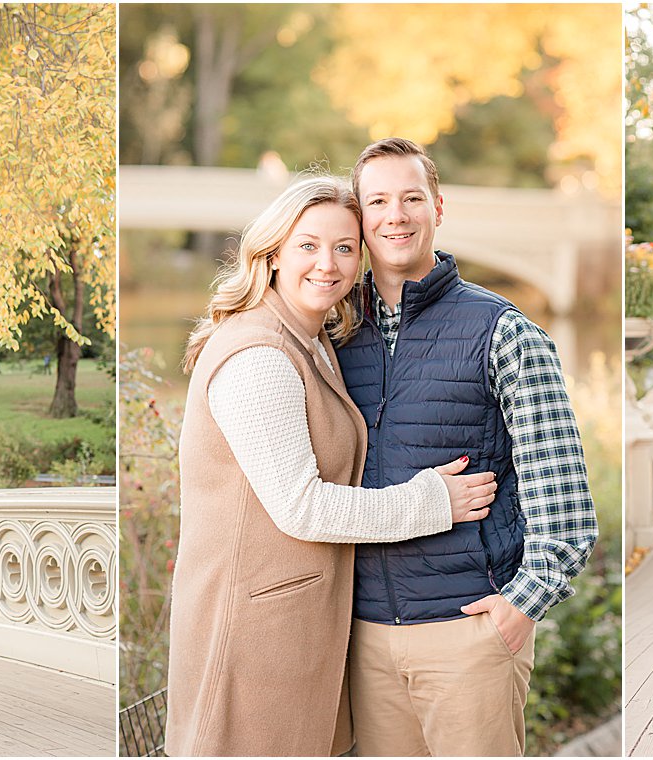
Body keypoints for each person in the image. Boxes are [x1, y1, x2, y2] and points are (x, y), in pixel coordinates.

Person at [165, 175, 499, 757]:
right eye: (308, 245)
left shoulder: (312, 338)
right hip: (252, 636)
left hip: (294, 631)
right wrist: (432, 502)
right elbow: (303, 506)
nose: (329, 263)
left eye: (345, 247)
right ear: (270, 256)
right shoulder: (260, 356)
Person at [336, 137, 597, 756]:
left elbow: (563, 498)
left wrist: (519, 608)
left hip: (468, 633)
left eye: (411, 198)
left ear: (438, 207)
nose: (395, 215)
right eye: (378, 202)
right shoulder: (336, 330)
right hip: (364, 635)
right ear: (361, 217)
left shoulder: (504, 331)